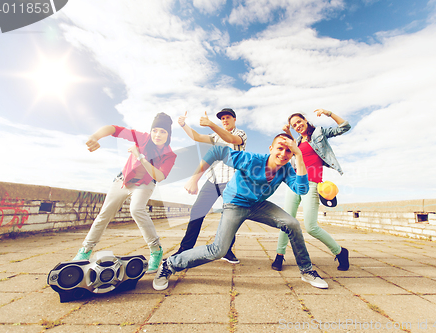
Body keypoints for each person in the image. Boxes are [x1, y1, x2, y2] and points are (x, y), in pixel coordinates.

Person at [153, 133, 329, 291]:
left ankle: (307, 271)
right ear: (271, 149)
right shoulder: (251, 160)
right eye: (280, 149)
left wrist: (299, 155)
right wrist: (194, 179)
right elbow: (216, 152)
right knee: (218, 250)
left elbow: (302, 189)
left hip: (258, 204)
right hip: (235, 203)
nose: (283, 154)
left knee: (292, 223)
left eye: (289, 151)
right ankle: (170, 265)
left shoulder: (286, 169)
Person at [73, 113, 177, 274]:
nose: (157, 135)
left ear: (169, 134)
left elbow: (160, 176)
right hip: (123, 181)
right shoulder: (142, 138)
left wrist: (140, 156)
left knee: (136, 209)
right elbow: (114, 129)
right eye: (155, 130)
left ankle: (156, 251)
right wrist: (95, 136)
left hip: (145, 184)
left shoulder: (169, 154)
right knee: (104, 214)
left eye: (163, 132)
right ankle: (85, 249)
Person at [271, 109, 351, 272]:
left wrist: (328, 113)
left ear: (305, 120)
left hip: (312, 184)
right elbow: (295, 153)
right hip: (295, 183)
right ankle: (279, 255)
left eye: (299, 122)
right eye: (294, 125)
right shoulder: (298, 142)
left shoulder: (319, 133)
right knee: (286, 221)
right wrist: (287, 134)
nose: (297, 126)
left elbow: (345, 126)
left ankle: (340, 252)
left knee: (311, 226)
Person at [173, 108, 247, 263]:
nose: (225, 120)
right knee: (197, 212)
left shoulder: (240, 134)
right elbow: (197, 136)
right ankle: (184, 250)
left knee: (229, 217)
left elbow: (231, 139)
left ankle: (226, 250)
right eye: (222, 119)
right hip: (213, 180)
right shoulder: (215, 136)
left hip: (232, 181)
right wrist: (183, 125)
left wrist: (211, 124)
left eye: (227, 118)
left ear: (234, 119)